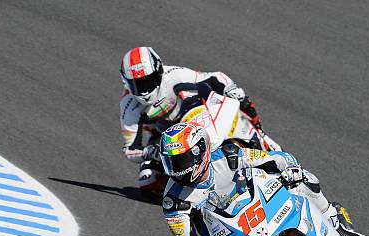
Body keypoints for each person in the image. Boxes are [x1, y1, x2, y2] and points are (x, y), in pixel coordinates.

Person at [159, 122, 369, 236]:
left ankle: (339, 225)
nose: (178, 169)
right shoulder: (174, 199)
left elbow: (276, 158)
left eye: (181, 160)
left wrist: (289, 169)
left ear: (200, 151)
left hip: (259, 207)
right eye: (171, 162)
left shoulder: (228, 156)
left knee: (304, 180)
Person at [119, 46, 280, 191]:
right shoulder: (129, 107)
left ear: (159, 71)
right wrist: (150, 152)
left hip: (195, 118)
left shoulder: (175, 75)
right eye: (137, 85)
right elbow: (130, 149)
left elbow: (216, 78)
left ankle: (260, 137)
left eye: (148, 81)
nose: (144, 91)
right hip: (167, 139)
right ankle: (195, 197)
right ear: (126, 83)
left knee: (240, 99)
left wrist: (232, 90)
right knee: (148, 180)